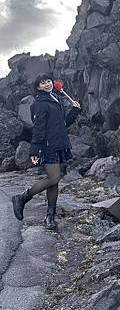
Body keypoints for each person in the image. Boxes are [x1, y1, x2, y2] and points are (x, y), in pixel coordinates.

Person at [11, 73, 82, 230]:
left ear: (53, 82)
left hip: (59, 144)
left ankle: (50, 216)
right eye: (42, 83)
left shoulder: (55, 99)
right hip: (48, 146)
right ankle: (22, 198)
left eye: (48, 81)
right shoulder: (40, 104)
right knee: (54, 178)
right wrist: (35, 150)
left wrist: (75, 111)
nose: (47, 84)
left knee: (54, 181)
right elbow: (38, 128)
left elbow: (62, 124)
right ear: (38, 87)